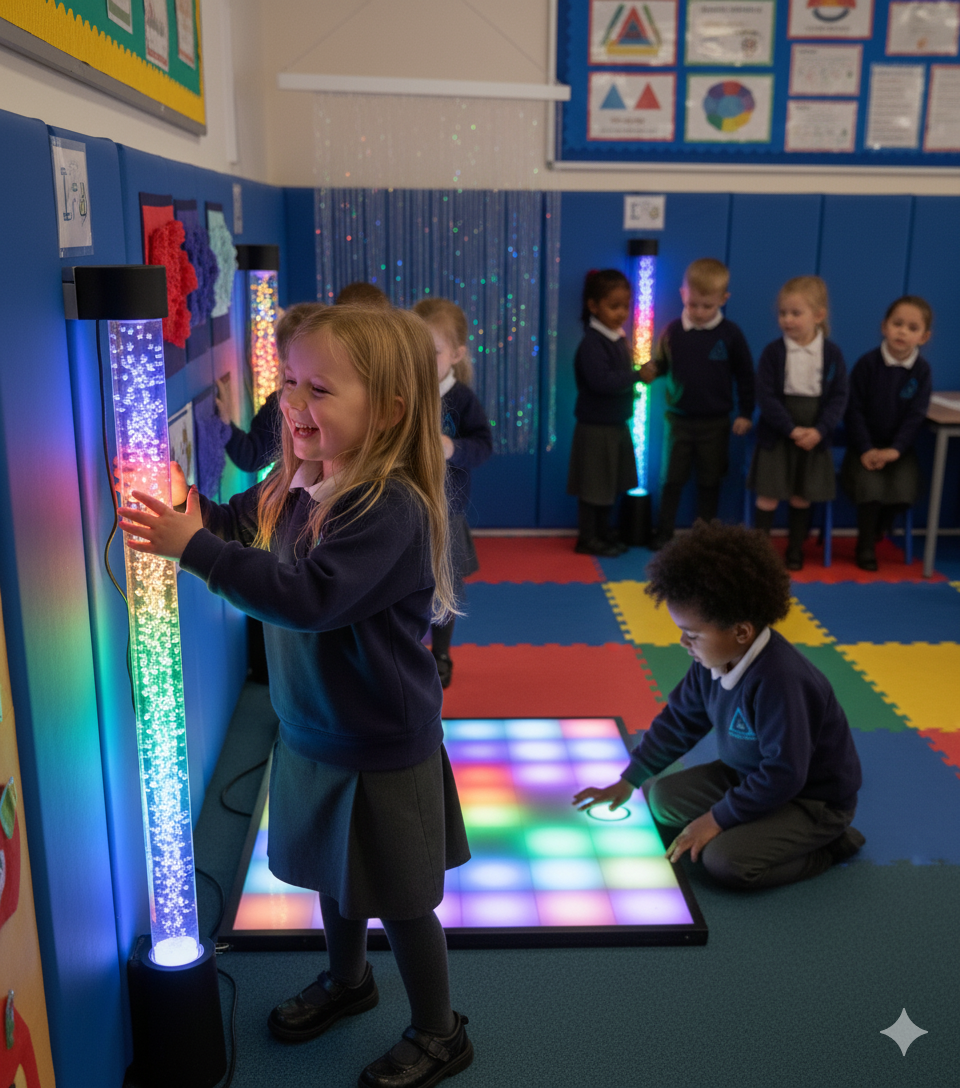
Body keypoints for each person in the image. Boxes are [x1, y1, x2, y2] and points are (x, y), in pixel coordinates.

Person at [118, 306, 473, 1088]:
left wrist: (196, 551)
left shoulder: (390, 508)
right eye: (289, 383)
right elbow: (234, 522)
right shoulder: (295, 480)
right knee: (336, 877)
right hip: (312, 730)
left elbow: (306, 596)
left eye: (320, 388)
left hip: (382, 742)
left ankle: (440, 1031)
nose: (293, 403)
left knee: (404, 901)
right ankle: (350, 982)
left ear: (386, 411)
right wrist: (187, 512)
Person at [572, 521, 864, 891]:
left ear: (741, 632)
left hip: (811, 800)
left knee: (726, 862)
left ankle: (831, 846)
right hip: (749, 776)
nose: (683, 642)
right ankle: (752, 819)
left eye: (692, 634)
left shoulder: (782, 681)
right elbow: (679, 721)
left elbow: (785, 773)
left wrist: (716, 819)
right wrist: (630, 778)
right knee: (660, 800)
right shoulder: (711, 663)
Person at [639, 258, 755, 548]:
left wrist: (745, 412)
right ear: (683, 295)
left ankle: (706, 536)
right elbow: (663, 365)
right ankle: (663, 531)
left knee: (709, 481)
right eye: (693, 305)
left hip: (715, 422)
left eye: (708, 306)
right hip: (677, 420)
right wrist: (650, 371)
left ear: (723, 300)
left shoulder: (731, 335)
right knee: (671, 480)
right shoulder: (672, 332)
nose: (700, 312)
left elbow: (745, 376)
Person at [413, 298, 493, 689]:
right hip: (408, 509)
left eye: (434, 353)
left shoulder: (462, 399)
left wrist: (453, 448)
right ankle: (407, 650)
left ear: (457, 354)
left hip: (448, 511)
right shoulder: (404, 391)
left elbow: (483, 445)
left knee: (445, 590)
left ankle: (441, 654)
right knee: (408, 582)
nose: (423, 361)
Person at [749, 276, 848, 571]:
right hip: (779, 432)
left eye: (795, 313)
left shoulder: (831, 355)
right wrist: (790, 429)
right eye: (782, 313)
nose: (787, 320)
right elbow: (765, 396)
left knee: (801, 495)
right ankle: (759, 551)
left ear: (818, 315)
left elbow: (839, 397)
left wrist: (819, 431)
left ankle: (795, 550)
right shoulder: (773, 352)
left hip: (814, 435)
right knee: (768, 493)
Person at [841, 296, 933, 571]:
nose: (903, 331)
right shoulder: (867, 364)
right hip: (863, 446)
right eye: (897, 324)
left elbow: (915, 415)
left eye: (912, 327)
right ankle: (865, 546)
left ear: (924, 337)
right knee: (870, 488)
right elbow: (853, 410)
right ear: (884, 327)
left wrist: (895, 450)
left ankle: (881, 528)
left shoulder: (922, 371)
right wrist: (867, 448)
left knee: (906, 490)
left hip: (898, 449)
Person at [567, 269, 641, 557]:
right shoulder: (592, 343)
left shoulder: (616, 338)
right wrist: (636, 377)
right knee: (593, 485)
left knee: (609, 482)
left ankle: (603, 531)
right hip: (596, 427)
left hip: (614, 424)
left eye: (625, 306)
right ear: (594, 306)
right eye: (614, 306)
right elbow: (602, 382)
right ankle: (588, 537)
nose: (621, 313)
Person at [216, 302, 326, 474]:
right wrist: (226, 423)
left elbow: (251, 456)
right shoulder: (280, 405)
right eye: (292, 380)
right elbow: (251, 455)